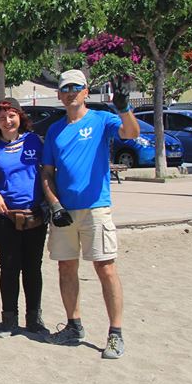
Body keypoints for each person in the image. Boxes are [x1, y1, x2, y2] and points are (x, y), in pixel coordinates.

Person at [41, 69, 139, 359]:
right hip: (65, 211)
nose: (71, 92)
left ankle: (115, 333)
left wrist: (124, 108)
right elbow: (47, 172)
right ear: (59, 95)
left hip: (96, 207)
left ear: (85, 92)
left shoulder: (101, 120)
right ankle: (73, 325)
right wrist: (54, 204)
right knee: (66, 267)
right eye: (65, 88)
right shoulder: (55, 130)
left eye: (76, 87)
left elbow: (131, 133)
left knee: (105, 268)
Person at [0, 97, 48, 338]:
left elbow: (48, 172)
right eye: (2, 117)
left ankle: (34, 318)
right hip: (4, 217)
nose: (7, 121)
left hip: (34, 215)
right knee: (9, 267)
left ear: (20, 117)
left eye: (12, 116)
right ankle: (9, 318)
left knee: (33, 267)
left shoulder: (35, 141)